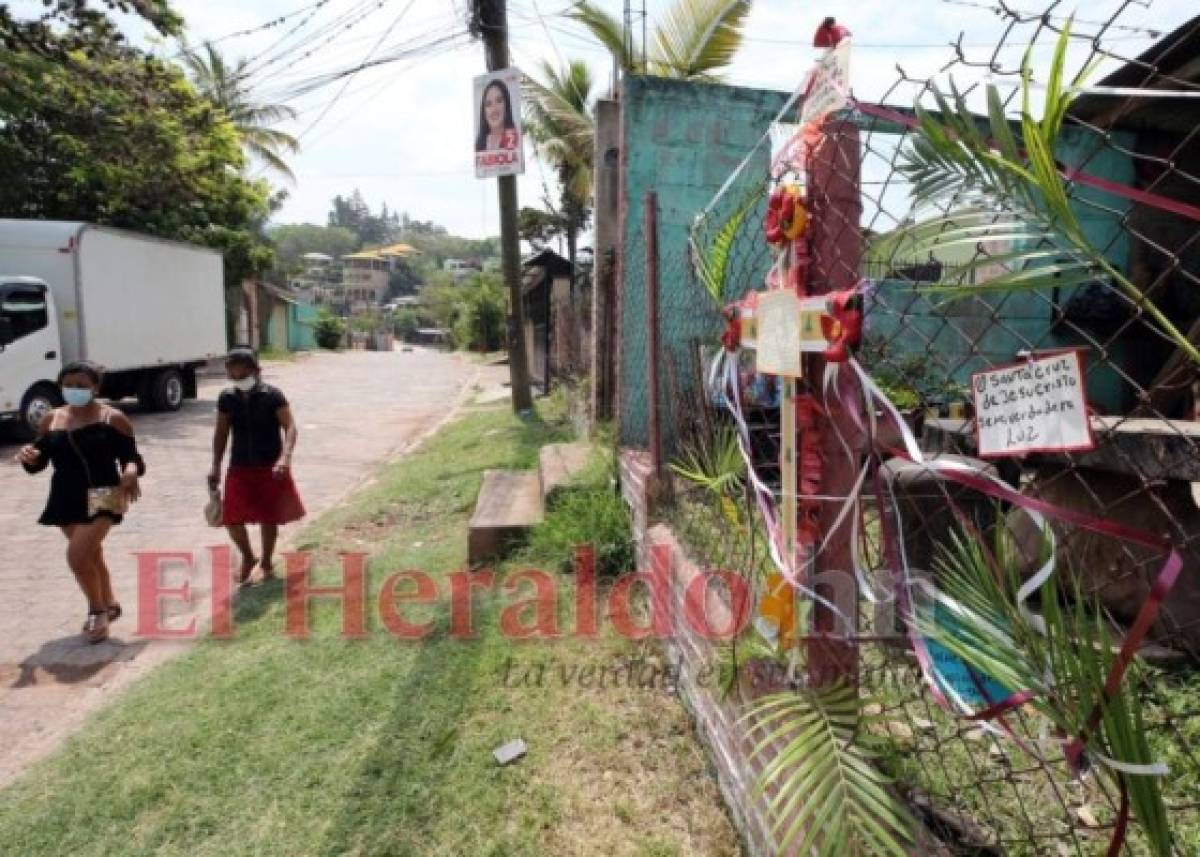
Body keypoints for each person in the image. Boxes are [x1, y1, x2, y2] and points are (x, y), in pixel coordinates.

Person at [16, 361, 144, 644]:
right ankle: (110, 604)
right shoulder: (52, 419)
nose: (74, 390)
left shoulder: (114, 418)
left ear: (95, 388)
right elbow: (39, 460)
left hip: (105, 493)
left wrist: (131, 471)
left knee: (77, 556)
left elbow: (131, 457)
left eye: (82, 385)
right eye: (69, 385)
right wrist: (29, 456)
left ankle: (96, 611)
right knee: (91, 555)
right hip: (65, 496)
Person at [208, 346, 304, 586]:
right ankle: (249, 557)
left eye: (242, 375)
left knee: (268, 517)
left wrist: (285, 458)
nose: (237, 380)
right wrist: (215, 465)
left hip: (269, 466)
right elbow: (221, 432)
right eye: (233, 375)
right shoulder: (227, 398)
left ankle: (267, 561)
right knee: (231, 518)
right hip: (239, 466)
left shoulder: (273, 396)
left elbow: (290, 427)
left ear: (256, 371)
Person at [475, 79, 518, 152]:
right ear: (484, 111)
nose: (494, 109)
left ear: (506, 105)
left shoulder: (514, 139)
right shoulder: (480, 144)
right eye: (488, 104)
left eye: (499, 101)